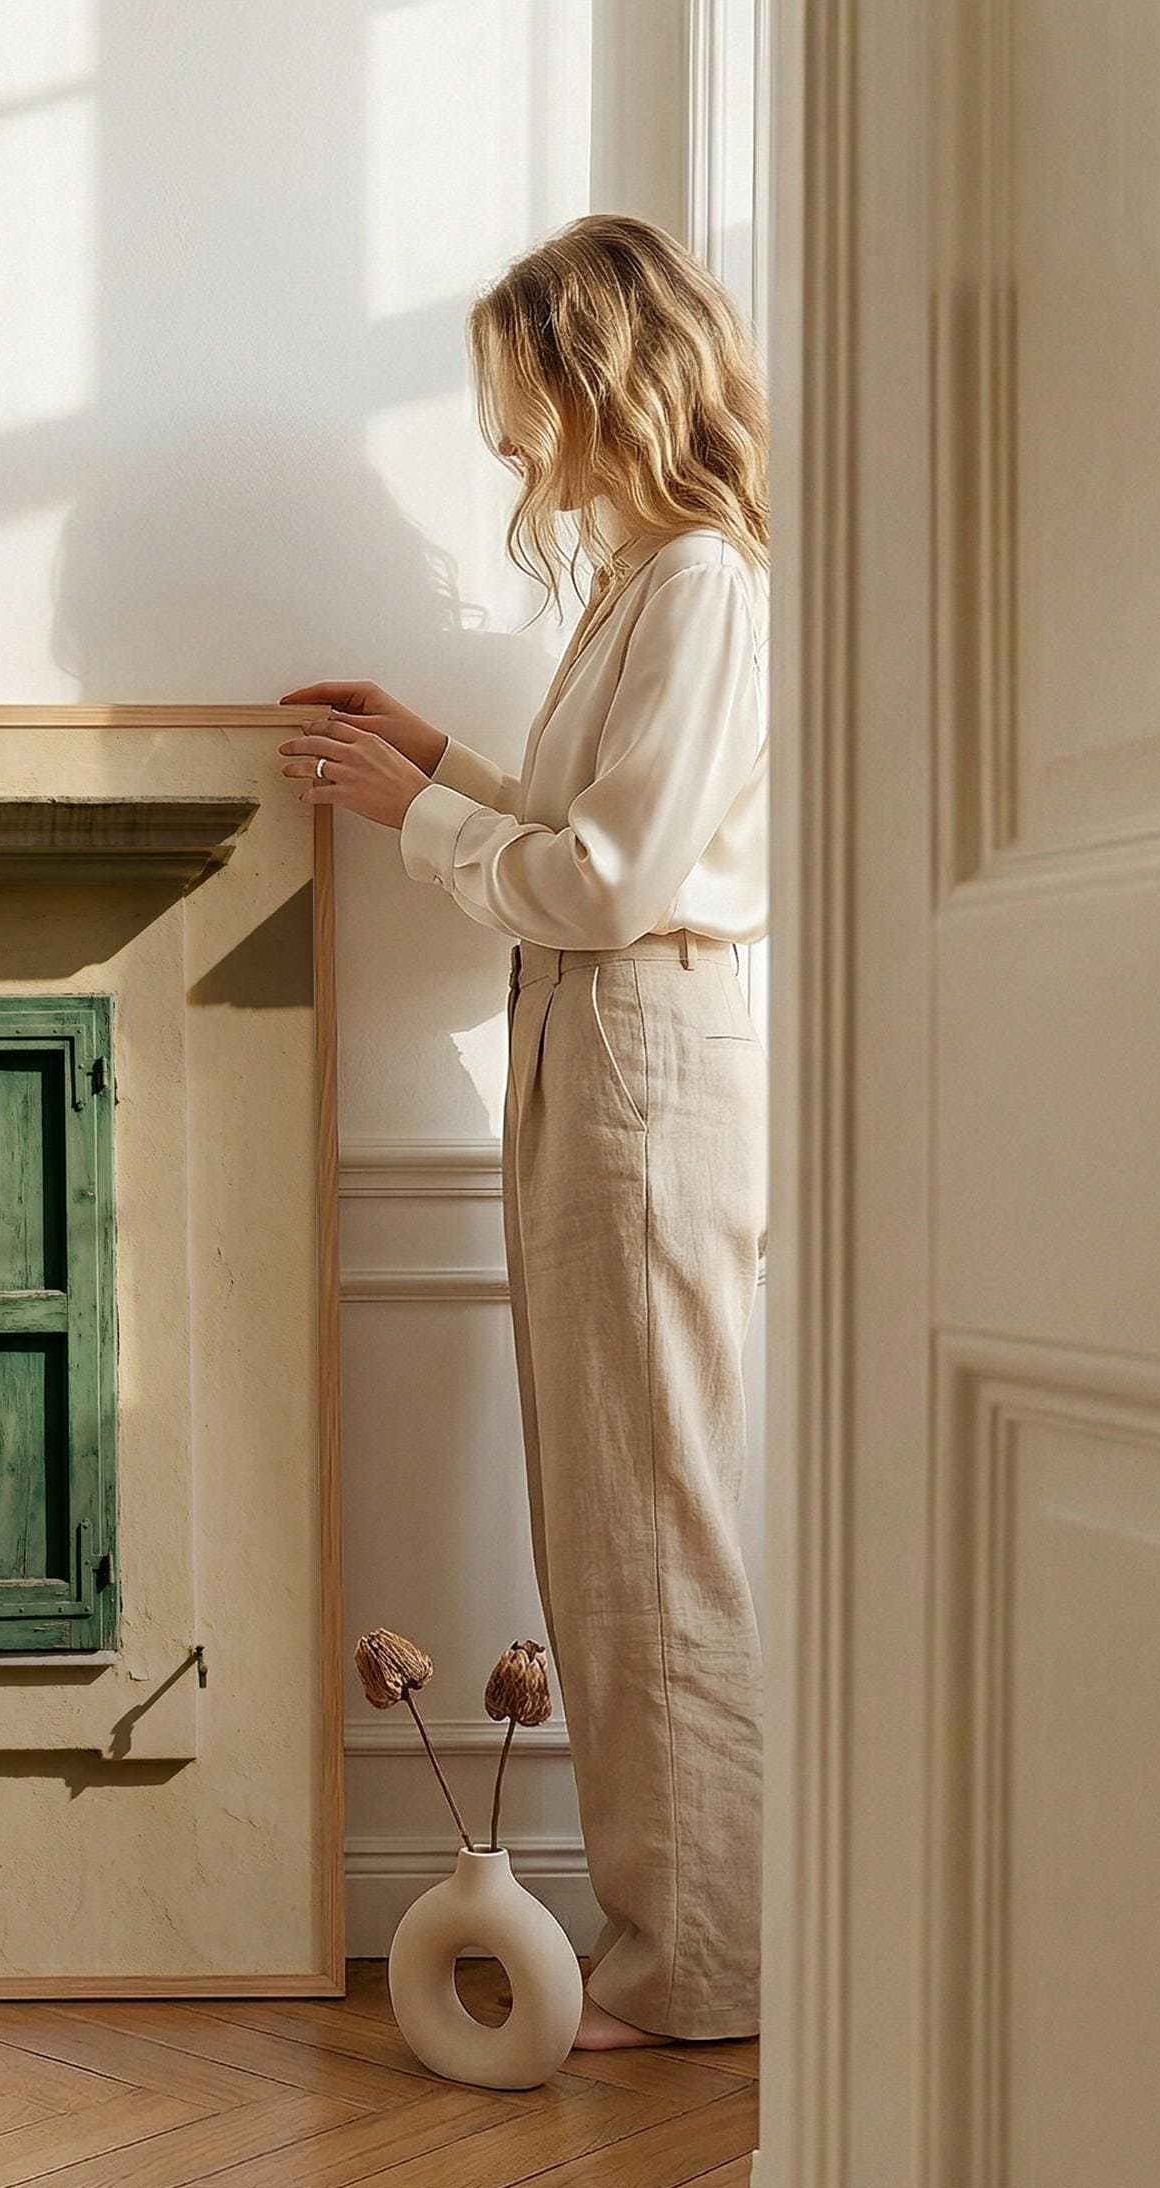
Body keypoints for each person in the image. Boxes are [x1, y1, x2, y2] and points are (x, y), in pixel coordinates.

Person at [281, 213, 769, 2050]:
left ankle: (699, 1964)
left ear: (598, 377)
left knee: (650, 1522)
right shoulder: (648, 584)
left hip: (640, 1048)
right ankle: (679, 1940)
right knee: (612, 1514)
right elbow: (582, 837)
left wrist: (423, 814)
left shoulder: (701, 580)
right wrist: (440, 765)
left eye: (522, 392)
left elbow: (613, 880)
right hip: (600, 1042)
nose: (504, 437)